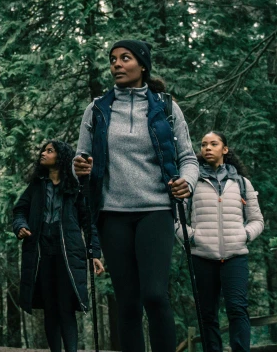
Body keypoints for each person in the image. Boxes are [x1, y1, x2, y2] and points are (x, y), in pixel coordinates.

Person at [73, 39, 198, 352]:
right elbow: (81, 159)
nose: (116, 64)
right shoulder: (98, 109)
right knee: (127, 302)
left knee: (154, 295)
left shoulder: (166, 107)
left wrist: (187, 183)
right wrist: (80, 167)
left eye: (124, 58)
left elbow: (188, 158)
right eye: (112, 59)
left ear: (142, 65)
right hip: (113, 214)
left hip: (155, 210)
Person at [13, 140, 104, 352]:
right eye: (43, 150)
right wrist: (20, 226)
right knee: (49, 308)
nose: (43, 153)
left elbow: (88, 221)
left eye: (49, 150)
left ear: (60, 157)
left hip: (68, 254)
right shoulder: (37, 186)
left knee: (65, 308)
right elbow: (19, 211)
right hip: (41, 252)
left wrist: (94, 253)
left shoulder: (75, 186)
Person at [176, 131, 264, 352]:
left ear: (225, 149)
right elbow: (176, 221)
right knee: (207, 314)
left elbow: (257, 220)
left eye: (213, 144)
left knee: (237, 309)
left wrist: (244, 235)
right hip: (202, 258)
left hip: (235, 257)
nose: (207, 148)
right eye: (204, 144)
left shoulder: (242, 183)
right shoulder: (190, 183)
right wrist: (193, 238)